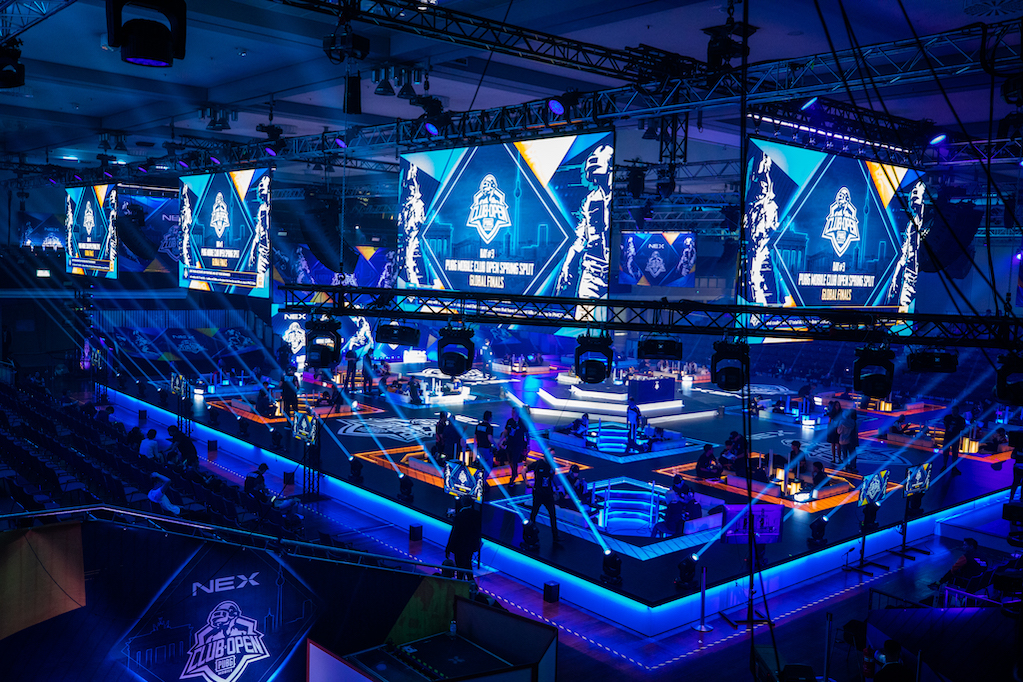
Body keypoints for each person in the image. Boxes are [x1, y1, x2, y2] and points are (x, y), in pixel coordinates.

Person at [445, 495, 482, 580]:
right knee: (468, 563)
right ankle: (471, 581)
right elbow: (478, 531)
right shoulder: (477, 515)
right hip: (471, 545)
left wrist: (448, 548)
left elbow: (455, 533)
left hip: (459, 546)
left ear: (462, 503)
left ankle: (460, 583)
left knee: (460, 568)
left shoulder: (459, 516)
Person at [526, 456, 559, 542]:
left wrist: (556, 489)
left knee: (553, 514)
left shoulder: (551, 465)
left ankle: (555, 536)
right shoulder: (538, 464)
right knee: (534, 513)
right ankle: (531, 533)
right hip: (539, 493)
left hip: (548, 494)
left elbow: (552, 478)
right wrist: (526, 482)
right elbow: (524, 470)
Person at [942, 405, 966, 474]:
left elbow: (962, 428)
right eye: (952, 410)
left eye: (954, 410)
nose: (953, 412)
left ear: (957, 411)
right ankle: (944, 466)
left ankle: (953, 468)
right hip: (947, 437)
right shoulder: (947, 417)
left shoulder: (961, 420)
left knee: (955, 453)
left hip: (955, 438)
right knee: (945, 453)